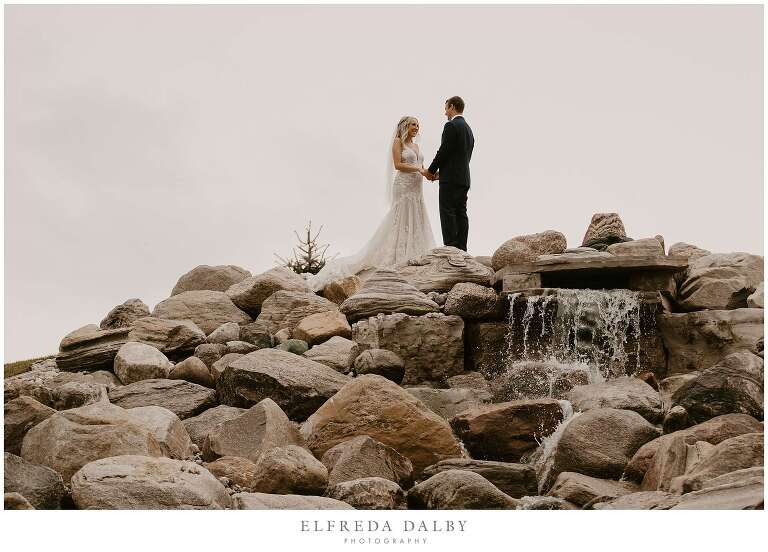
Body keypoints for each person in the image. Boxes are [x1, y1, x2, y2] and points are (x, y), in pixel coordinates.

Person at [307, 116, 437, 292]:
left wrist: (431, 175)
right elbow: (398, 164)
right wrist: (419, 169)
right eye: (413, 124)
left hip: (416, 188)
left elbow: (422, 167)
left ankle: (414, 252)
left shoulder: (416, 146)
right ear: (405, 126)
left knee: (416, 216)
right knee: (401, 218)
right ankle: (398, 254)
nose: (416, 127)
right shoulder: (398, 141)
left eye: (418, 125)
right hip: (403, 186)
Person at [422, 96, 474, 252]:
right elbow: (464, 157)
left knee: (447, 211)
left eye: (446, 108)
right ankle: (462, 248)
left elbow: (444, 151)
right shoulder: (469, 130)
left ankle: (451, 246)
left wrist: (430, 171)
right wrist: (443, 173)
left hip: (450, 179)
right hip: (464, 178)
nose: (445, 113)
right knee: (461, 212)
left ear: (452, 106)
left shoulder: (451, 126)